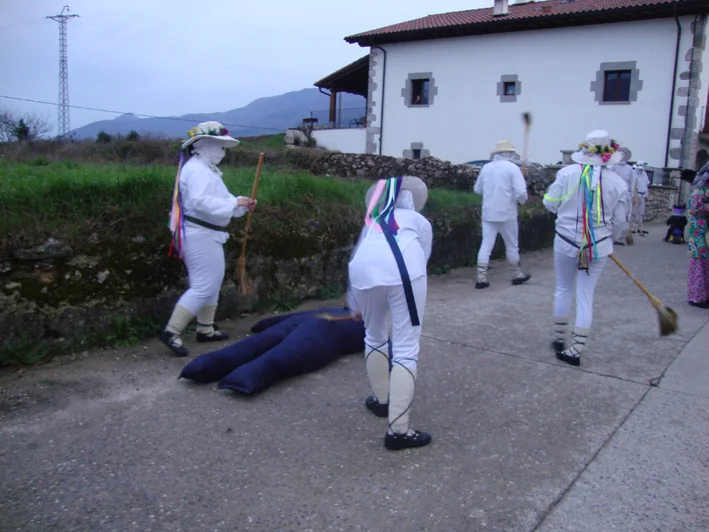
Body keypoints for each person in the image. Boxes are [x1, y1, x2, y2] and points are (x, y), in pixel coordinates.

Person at [346, 176, 433, 451]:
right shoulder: (419, 221)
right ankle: (398, 431)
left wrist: (353, 303)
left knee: (373, 335)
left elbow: (357, 255)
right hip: (405, 273)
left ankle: (381, 401)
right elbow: (422, 258)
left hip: (362, 274)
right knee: (406, 348)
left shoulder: (372, 221)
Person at [159, 121, 257, 357]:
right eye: (220, 146)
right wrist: (234, 204)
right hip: (200, 234)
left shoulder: (206, 170)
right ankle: (172, 331)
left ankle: (205, 328)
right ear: (203, 144)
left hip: (208, 233)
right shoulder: (197, 170)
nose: (223, 152)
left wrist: (241, 204)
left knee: (212, 281)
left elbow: (222, 200)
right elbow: (201, 202)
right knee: (204, 284)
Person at [543, 130, 629, 366]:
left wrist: (563, 211)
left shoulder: (566, 173)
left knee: (563, 287)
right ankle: (576, 349)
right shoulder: (618, 183)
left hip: (565, 240)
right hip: (597, 246)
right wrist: (607, 238)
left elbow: (549, 203)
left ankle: (559, 338)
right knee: (585, 294)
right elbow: (620, 222)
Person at [473, 140, 531, 289]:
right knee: (512, 245)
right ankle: (516, 274)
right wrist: (523, 201)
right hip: (507, 213)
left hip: (488, 213)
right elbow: (521, 193)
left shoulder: (486, 168)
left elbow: (477, 189)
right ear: (509, 153)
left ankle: (481, 278)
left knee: (486, 244)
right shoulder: (513, 169)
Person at [685, 162, 709, 309]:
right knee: (700, 263)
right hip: (698, 232)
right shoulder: (699, 190)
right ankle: (696, 297)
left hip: (704, 231)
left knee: (706, 264)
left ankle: (704, 296)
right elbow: (695, 208)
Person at [609, 147, 634, 245]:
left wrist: (632, 196)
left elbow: (631, 183)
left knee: (621, 219)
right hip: (612, 194)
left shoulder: (629, 169)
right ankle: (608, 238)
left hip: (624, 196)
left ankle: (618, 238)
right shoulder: (612, 166)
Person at [630, 161, 651, 237]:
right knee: (634, 212)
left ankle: (640, 228)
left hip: (642, 194)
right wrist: (633, 197)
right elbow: (632, 186)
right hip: (636, 194)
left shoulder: (644, 174)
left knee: (641, 212)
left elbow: (646, 185)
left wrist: (646, 195)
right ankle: (632, 228)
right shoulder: (633, 173)